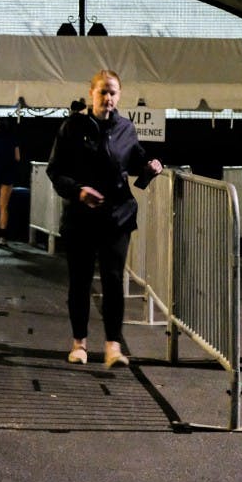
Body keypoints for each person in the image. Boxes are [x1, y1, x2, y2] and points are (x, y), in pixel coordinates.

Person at [46, 70, 162, 368]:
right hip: (81, 217)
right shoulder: (72, 127)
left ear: (119, 96)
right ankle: (79, 344)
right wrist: (78, 191)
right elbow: (55, 171)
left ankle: (113, 346)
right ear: (91, 95)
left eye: (112, 93)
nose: (108, 98)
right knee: (80, 282)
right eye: (102, 92)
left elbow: (135, 162)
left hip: (117, 217)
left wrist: (151, 167)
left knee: (113, 281)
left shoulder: (126, 128)